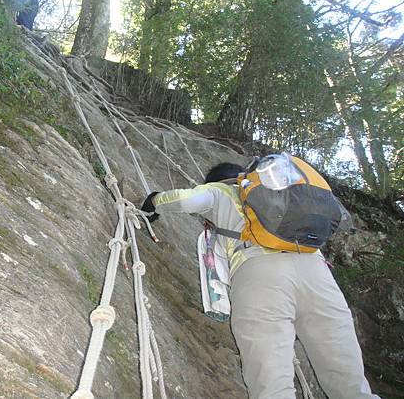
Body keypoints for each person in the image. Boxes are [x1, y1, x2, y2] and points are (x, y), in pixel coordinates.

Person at [141, 161, 379, 399]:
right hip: (317, 274)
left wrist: (153, 201)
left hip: (260, 275)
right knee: (350, 382)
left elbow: (186, 200)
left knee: (272, 385)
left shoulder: (221, 191)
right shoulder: (283, 194)